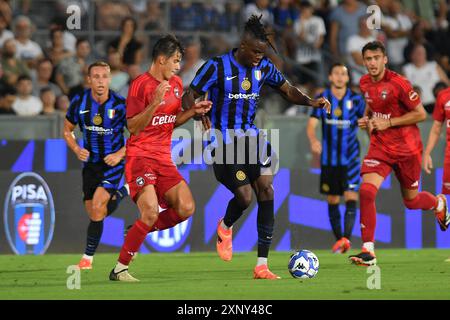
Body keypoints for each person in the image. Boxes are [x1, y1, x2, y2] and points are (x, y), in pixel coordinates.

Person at [183, 15, 330, 279]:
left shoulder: (264, 68)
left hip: (252, 138)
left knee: (267, 190)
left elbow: (287, 90)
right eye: (255, 52)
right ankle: (226, 225)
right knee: (244, 197)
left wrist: (311, 102)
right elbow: (189, 94)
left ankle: (261, 265)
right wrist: (194, 111)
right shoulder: (216, 67)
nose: (259, 57)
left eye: (263, 53)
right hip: (222, 139)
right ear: (242, 45)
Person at [109, 34, 212, 282]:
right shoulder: (140, 85)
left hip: (163, 158)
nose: (178, 66)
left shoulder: (176, 84)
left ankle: (136, 232)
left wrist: (192, 112)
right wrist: (154, 103)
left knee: (186, 207)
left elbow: (171, 121)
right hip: (140, 156)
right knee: (150, 212)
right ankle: (119, 269)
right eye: (176, 61)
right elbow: (133, 127)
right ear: (161, 59)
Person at [349, 41, 450, 266]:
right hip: (381, 148)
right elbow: (371, 109)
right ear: (364, 61)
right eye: (368, 59)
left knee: (411, 202)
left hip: (408, 150)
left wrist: (390, 123)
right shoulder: (364, 83)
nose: (372, 63)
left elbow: (421, 114)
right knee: (366, 191)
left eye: (376, 58)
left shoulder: (399, 83)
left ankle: (437, 204)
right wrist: (367, 120)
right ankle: (368, 250)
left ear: (385, 59)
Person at [63, 61, 129, 270]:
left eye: (104, 76)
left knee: (99, 206)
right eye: (96, 77)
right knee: (94, 212)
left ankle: (87, 259)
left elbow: (138, 135)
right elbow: (67, 130)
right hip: (91, 165)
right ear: (89, 79)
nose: (101, 81)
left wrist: (120, 154)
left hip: (113, 164)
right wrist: (75, 148)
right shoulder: (79, 102)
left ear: (110, 79)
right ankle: (121, 193)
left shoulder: (120, 104)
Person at [307, 63, 365, 254]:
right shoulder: (323, 99)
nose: (340, 77)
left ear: (348, 78)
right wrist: (314, 140)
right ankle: (340, 239)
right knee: (333, 199)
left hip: (351, 158)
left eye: (344, 74)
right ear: (330, 77)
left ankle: (345, 239)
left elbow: (366, 121)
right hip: (329, 160)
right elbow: (311, 124)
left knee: (350, 196)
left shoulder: (356, 100)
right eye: (336, 73)